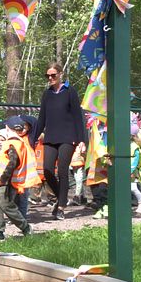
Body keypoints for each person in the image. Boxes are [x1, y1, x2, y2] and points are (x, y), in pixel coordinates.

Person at [33, 62, 86, 220]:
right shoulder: (46, 94)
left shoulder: (70, 92)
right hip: (50, 137)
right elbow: (41, 118)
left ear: (60, 74)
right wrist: (33, 138)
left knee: (62, 169)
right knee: (47, 170)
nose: (50, 78)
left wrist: (82, 140)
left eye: (53, 75)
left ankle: (61, 206)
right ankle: (61, 197)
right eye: (47, 75)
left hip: (68, 137)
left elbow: (78, 117)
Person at [0, 117, 39, 241]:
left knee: (6, 206)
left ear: (7, 128)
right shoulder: (12, 142)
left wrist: (3, 179)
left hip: (6, 182)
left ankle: (26, 228)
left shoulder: (14, 143)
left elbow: (12, 163)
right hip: (2, 182)